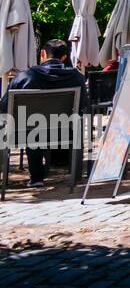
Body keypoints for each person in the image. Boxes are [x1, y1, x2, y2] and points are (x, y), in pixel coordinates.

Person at [0, 39, 89, 187]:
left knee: (30, 127)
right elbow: (82, 106)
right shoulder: (77, 77)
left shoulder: (24, 77)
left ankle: (36, 178)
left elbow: (4, 107)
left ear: (42, 54)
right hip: (66, 132)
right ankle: (73, 175)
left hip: (24, 134)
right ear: (64, 57)